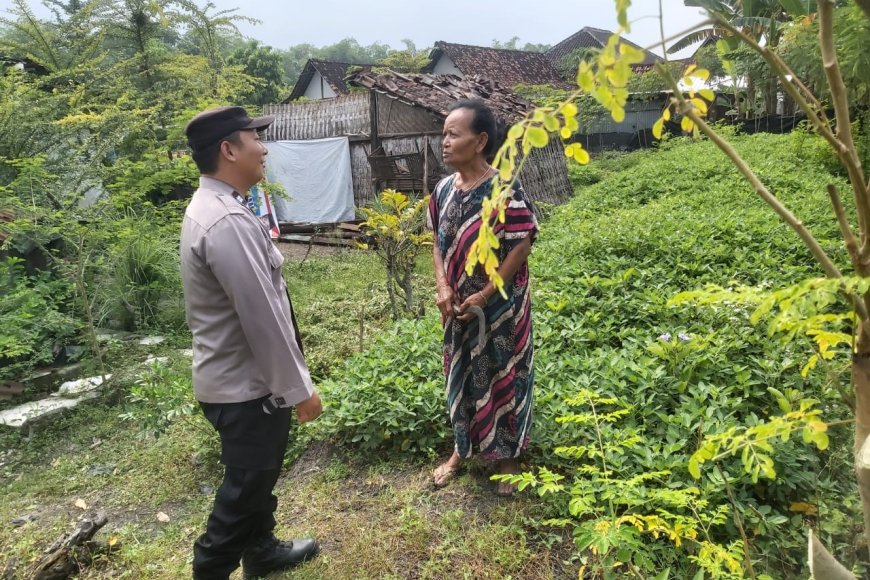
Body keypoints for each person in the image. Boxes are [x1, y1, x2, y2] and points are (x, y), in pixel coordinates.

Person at [180, 106, 322, 579]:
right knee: (245, 487)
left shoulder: (217, 207)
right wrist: (299, 389)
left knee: (257, 476)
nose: (263, 148)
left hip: (235, 380)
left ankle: (261, 552)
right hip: (245, 389)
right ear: (228, 149)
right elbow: (262, 318)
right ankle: (211, 570)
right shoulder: (226, 221)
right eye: (253, 139)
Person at [428, 100, 538, 497]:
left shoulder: (504, 188)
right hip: (457, 309)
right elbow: (438, 244)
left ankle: (507, 457)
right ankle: (462, 449)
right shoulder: (442, 190)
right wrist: (443, 286)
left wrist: (486, 293)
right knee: (460, 371)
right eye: (444, 133)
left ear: (480, 142)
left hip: (501, 308)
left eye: (453, 134)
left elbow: (521, 245)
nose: (444, 142)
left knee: (503, 371)